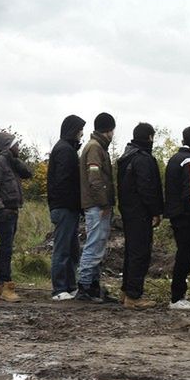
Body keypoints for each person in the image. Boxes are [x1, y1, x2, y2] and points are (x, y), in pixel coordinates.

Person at [117, 122, 164, 309]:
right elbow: (147, 187)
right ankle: (133, 296)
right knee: (140, 254)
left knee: (131, 252)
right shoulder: (143, 158)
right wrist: (156, 211)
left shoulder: (126, 156)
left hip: (128, 211)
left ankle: (125, 291)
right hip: (140, 213)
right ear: (150, 137)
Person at [0, 131, 33, 301]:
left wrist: (15, 160)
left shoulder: (11, 163)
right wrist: (0, 209)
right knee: (5, 250)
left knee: (6, 249)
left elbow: (28, 173)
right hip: (5, 212)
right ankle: (6, 286)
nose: (18, 147)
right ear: (7, 146)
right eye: (15, 144)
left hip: (13, 210)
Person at [77, 112, 116, 302]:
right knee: (93, 246)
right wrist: (104, 203)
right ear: (110, 130)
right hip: (96, 206)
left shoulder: (97, 146)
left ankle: (93, 287)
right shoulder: (95, 148)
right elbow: (94, 179)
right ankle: (84, 287)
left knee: (97, 246)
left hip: (96, 205)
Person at [164, 126, 190, 310]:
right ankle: (178, 296)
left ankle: (178, 294)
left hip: (174, 213)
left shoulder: (173, 159)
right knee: (186, 256)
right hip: (186, 217)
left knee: (182, 253)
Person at [47, 115, 85, 301]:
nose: (82, 133)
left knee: (72, 249)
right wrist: (75, 203)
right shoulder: (64, 150)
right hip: (64, 207)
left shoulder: (67, 149)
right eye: (80, 129)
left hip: (69, 208)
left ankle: (70, 286)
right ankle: (59, 288)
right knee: (62, 249)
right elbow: (63, 181)